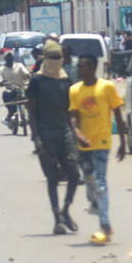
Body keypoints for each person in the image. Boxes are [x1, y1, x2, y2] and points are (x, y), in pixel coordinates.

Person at [69, 54, 127, 244]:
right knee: (89, 181)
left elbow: (117, 112)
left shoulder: (107, 87)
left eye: (83, 66)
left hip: (102, 142)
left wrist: (123, 142)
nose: (79, 70)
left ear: (93, 67)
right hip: (83, 143)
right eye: (79, 66)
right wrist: (78, 134)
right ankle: (95, 202)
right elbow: (73, 116)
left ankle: (105, 224)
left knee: (100, 182)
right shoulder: (75, 90)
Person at [26, 40, 80, 235]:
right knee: (52, 177)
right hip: (44, 132)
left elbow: (70, 108)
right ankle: (56, 216)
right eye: (53, 58)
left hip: (64, 131)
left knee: (74, 174)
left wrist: (76, 133)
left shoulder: (65, 81)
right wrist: (36, 137)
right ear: (46, 58)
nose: (57, 61)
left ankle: (66, 209)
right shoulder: (37, 81)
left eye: (59, 58)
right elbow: (31, 110)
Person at [0, 52, 31, 127]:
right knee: (6, 95)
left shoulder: (19, 66)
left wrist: (29, 76)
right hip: (10, 90)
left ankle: (30, 116)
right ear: (5, 59)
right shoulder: (1, 69)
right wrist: (2, 83)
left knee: (30, 100)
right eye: (8, 58)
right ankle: (9, 115)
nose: (10, 59)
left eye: (11, 57)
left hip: (22, 88)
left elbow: (27, 74)